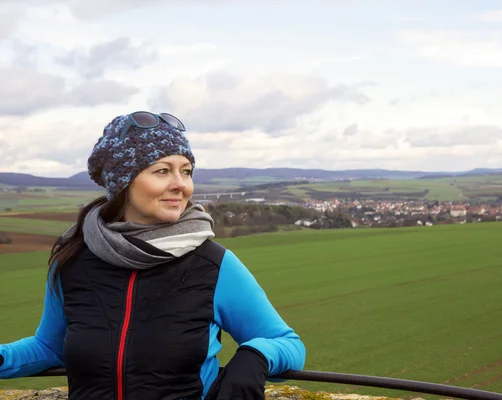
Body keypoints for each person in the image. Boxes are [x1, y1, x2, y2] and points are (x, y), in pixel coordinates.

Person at [0, 111, 306, 399]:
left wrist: (255, 356)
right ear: (122, 182)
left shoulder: (214, 265)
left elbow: (288, 345)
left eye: (186, 172)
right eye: (162, 171)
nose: (180, 185)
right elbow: (48, 347)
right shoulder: (73, 260)